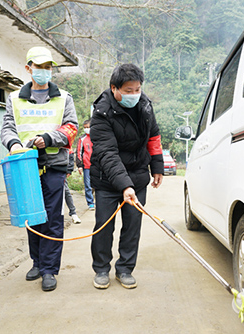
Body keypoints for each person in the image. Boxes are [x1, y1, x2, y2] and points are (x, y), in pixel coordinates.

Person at [1, 46, 78, 292]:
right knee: (32, 216)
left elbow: (71, 128)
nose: (44, 71)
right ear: (28, 68)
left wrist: (49, 138)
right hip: (26, 164)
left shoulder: (64, 97)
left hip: (54, 165)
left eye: (48, 67)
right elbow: (7, 128)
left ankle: (49, 269)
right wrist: (13, 144)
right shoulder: (14, 98)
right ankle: (36, 262)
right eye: (39, 67)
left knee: (52, 217)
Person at [90, 63, 164, 290]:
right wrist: (124, 185)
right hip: (107, 178)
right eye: (128, 90)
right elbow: (107, 154)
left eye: (137, 89)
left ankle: (125, 269)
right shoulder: (101, 112)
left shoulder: (145, 106)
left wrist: (157, 166)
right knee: (104, 225)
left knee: (132, 225)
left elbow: (154, 135)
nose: (134, 95)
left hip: (138, 175)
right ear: (114, 88)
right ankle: (102, 268)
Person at [76, 119, 94, 210]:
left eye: (88, 127)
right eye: (85, 128)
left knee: (97, 184)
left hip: (97, 165)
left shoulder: (97, 136)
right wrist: (79, 165)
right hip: (86, 166)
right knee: (87, 185)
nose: (87, 129)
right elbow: (79, 152)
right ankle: (90, 203)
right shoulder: (82, 139)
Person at [64, 148, 81, 224]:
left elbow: (70, 156)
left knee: (66, 191)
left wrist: (69, 170)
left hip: (61, 171)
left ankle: (73, 213)